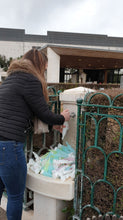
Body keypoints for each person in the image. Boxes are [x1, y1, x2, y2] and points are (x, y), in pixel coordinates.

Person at [0, 49, 70, 220]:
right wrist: (62, 118)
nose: (44, 72)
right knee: (15, 196)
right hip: (9, 146)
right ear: (39, 65)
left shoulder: (10, 79)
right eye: (44, 68)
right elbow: (43, 112)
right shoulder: (30, 80)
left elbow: (19, 112)